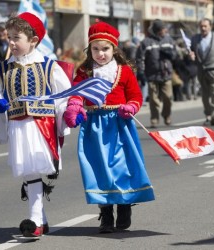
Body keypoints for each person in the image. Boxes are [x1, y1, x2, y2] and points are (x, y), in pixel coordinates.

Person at [0, 12, 71, 237]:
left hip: (41, 127)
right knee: (29, 171)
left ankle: (35, 219)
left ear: (33, 40)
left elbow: (63, 96)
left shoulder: (49, 66)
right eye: (9, 37)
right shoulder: (1, 69)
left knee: (34, 169)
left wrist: (69, 114)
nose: (11, 42)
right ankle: (39, 219)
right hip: (18, 127)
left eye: (17, 37)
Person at [64, 21, 155, 234]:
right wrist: (75, 105)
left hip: (119, 125)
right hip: (94, 126)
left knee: (120, 167)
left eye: (105, 49)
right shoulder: (85, 71)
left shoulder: (124, 72)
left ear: (114, 49)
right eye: (95, 49)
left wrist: (131, 106)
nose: (100, 54)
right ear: (90, 50)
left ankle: (123, 206)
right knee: (99, 168)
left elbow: (135, 95)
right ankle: (106, 214)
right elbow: (76, 92)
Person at [136, 19, 177, 127]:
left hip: (166, 74)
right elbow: (140, 58)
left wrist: (171, 54)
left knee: (168, 97)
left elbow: (176, 54)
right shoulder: (146, 42)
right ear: (157, 30)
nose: (164, 31)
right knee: (154, 100)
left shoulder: (169, 40)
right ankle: (154, 118)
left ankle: (167, 115)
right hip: (152, 75)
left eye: (164, 29)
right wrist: (141, 72)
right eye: (162, 29)